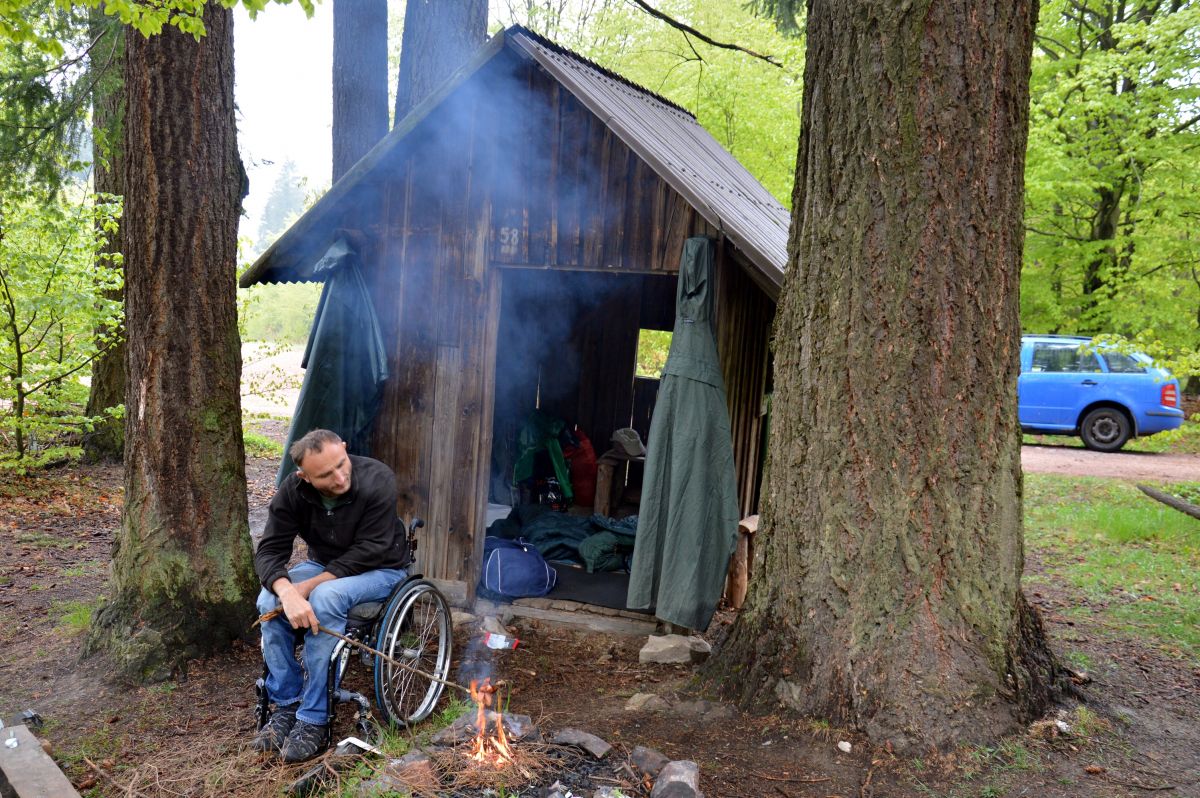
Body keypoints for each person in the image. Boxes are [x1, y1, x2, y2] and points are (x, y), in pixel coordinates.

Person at [251, 429, 409, 762]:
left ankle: (314, 718)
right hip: (324, 565)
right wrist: (286, 591)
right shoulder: (292, 492)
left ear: (346, 449)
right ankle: (287, 704)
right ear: (303, 477)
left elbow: (370, 550)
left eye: (341, 464)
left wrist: (306, 588)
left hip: (381, 568)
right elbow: (268, 551)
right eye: (325, 474)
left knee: (325, 598)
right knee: (268, 602)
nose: (340, 477)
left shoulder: (377, 478)